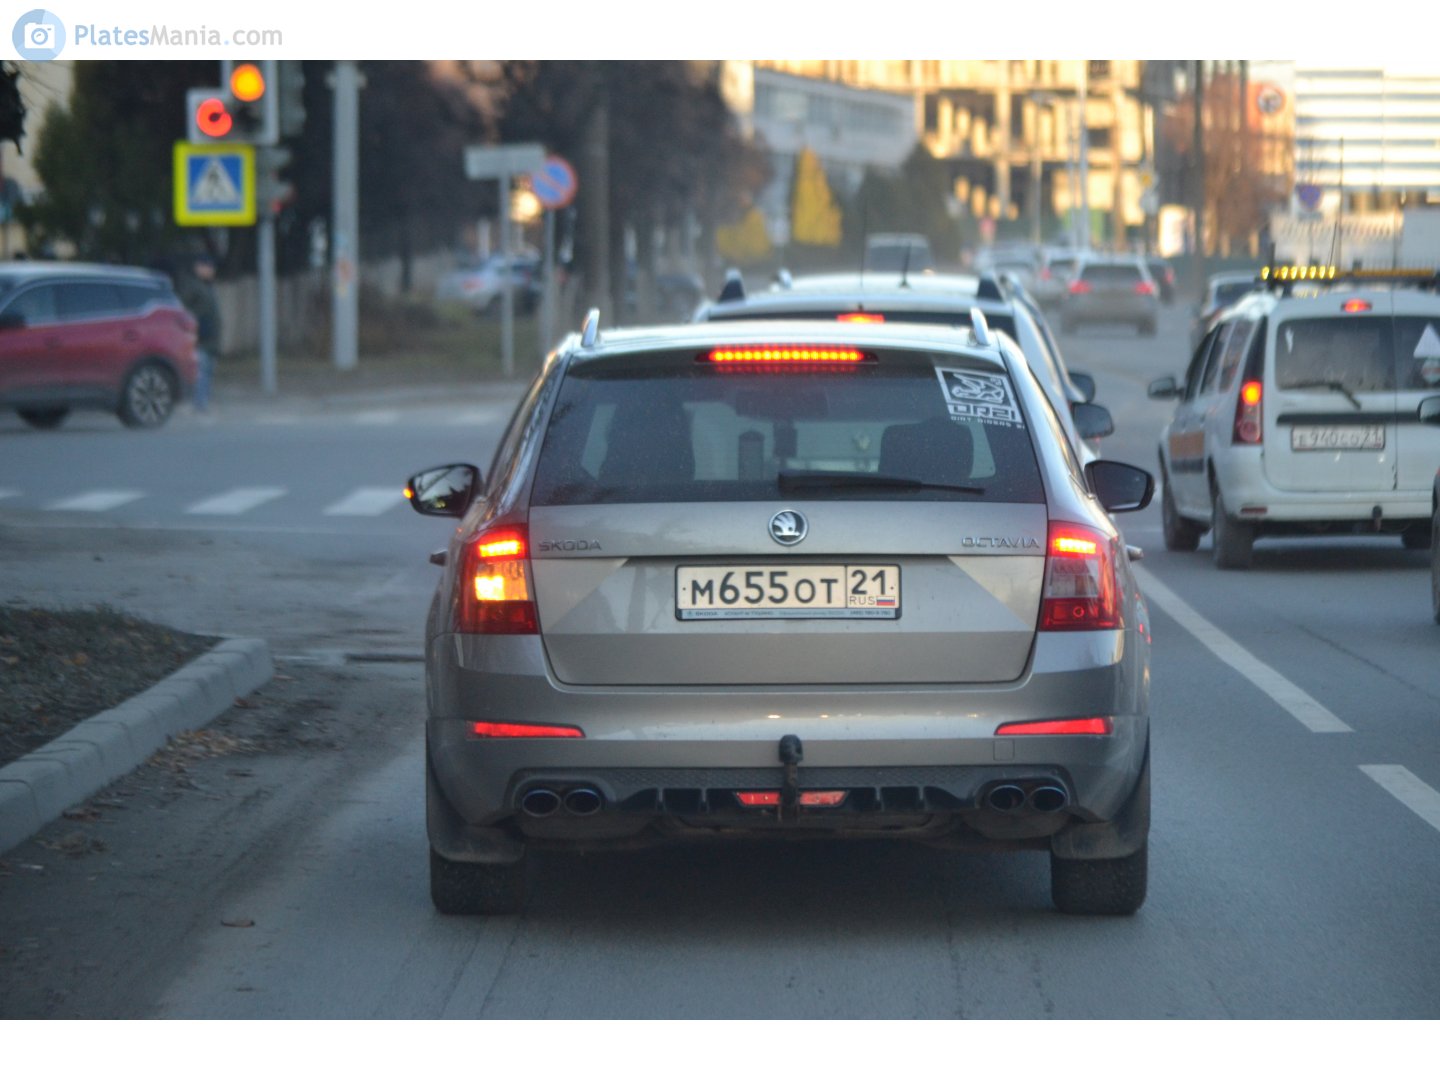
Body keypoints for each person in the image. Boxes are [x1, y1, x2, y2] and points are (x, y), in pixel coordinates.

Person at [176, 255, 221, 413]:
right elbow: (182, 310)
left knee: (207, 372)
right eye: (206, 266)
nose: (210, 270)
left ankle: (202, 403)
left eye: (211, 267)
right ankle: (198, 404)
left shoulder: (208, 287)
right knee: (200, 372)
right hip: (198, 338)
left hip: (211, 339)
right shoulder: (192, 286)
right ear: (198, 267)